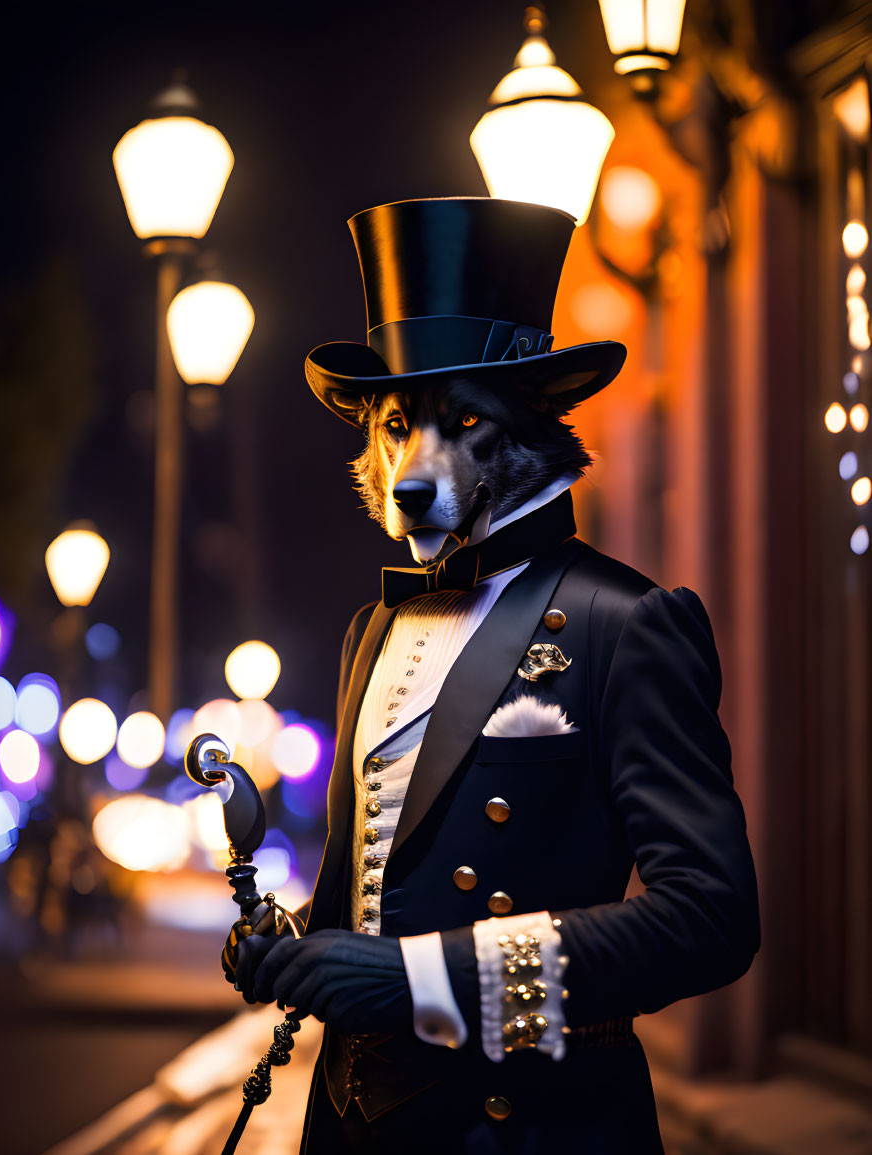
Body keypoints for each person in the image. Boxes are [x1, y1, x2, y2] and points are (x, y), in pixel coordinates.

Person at [226, 197, 760, 1154]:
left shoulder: (628, 623)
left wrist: (426, 980)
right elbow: (378, 888)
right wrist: (294, 942)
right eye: (398, 425)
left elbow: (711, 916)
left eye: (463, 423)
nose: (414, 471)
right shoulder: (372, 627)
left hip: (527, 1128)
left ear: (529, 434)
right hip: (351, 1126)